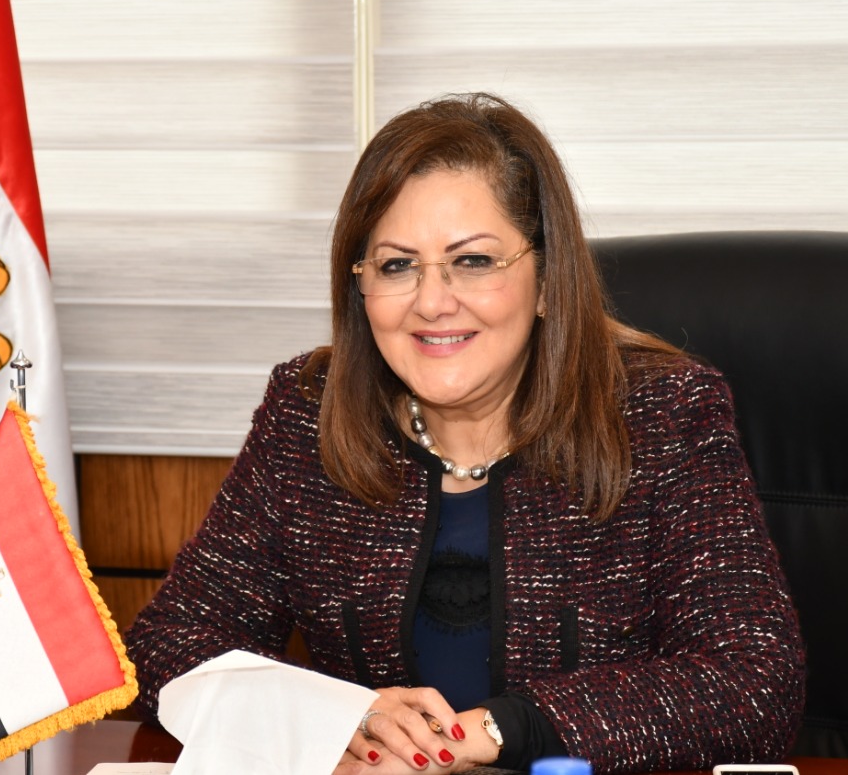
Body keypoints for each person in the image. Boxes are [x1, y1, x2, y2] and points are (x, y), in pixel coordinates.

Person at [124, 93, 806, 774]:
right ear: (360, 287)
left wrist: (486, 733)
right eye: (397, 265)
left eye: (473, 261)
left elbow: (754, 682)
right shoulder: (309, 413)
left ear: (547, 280)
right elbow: (169, 644)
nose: (431, 301)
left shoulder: (662, 413)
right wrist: (338, 720)